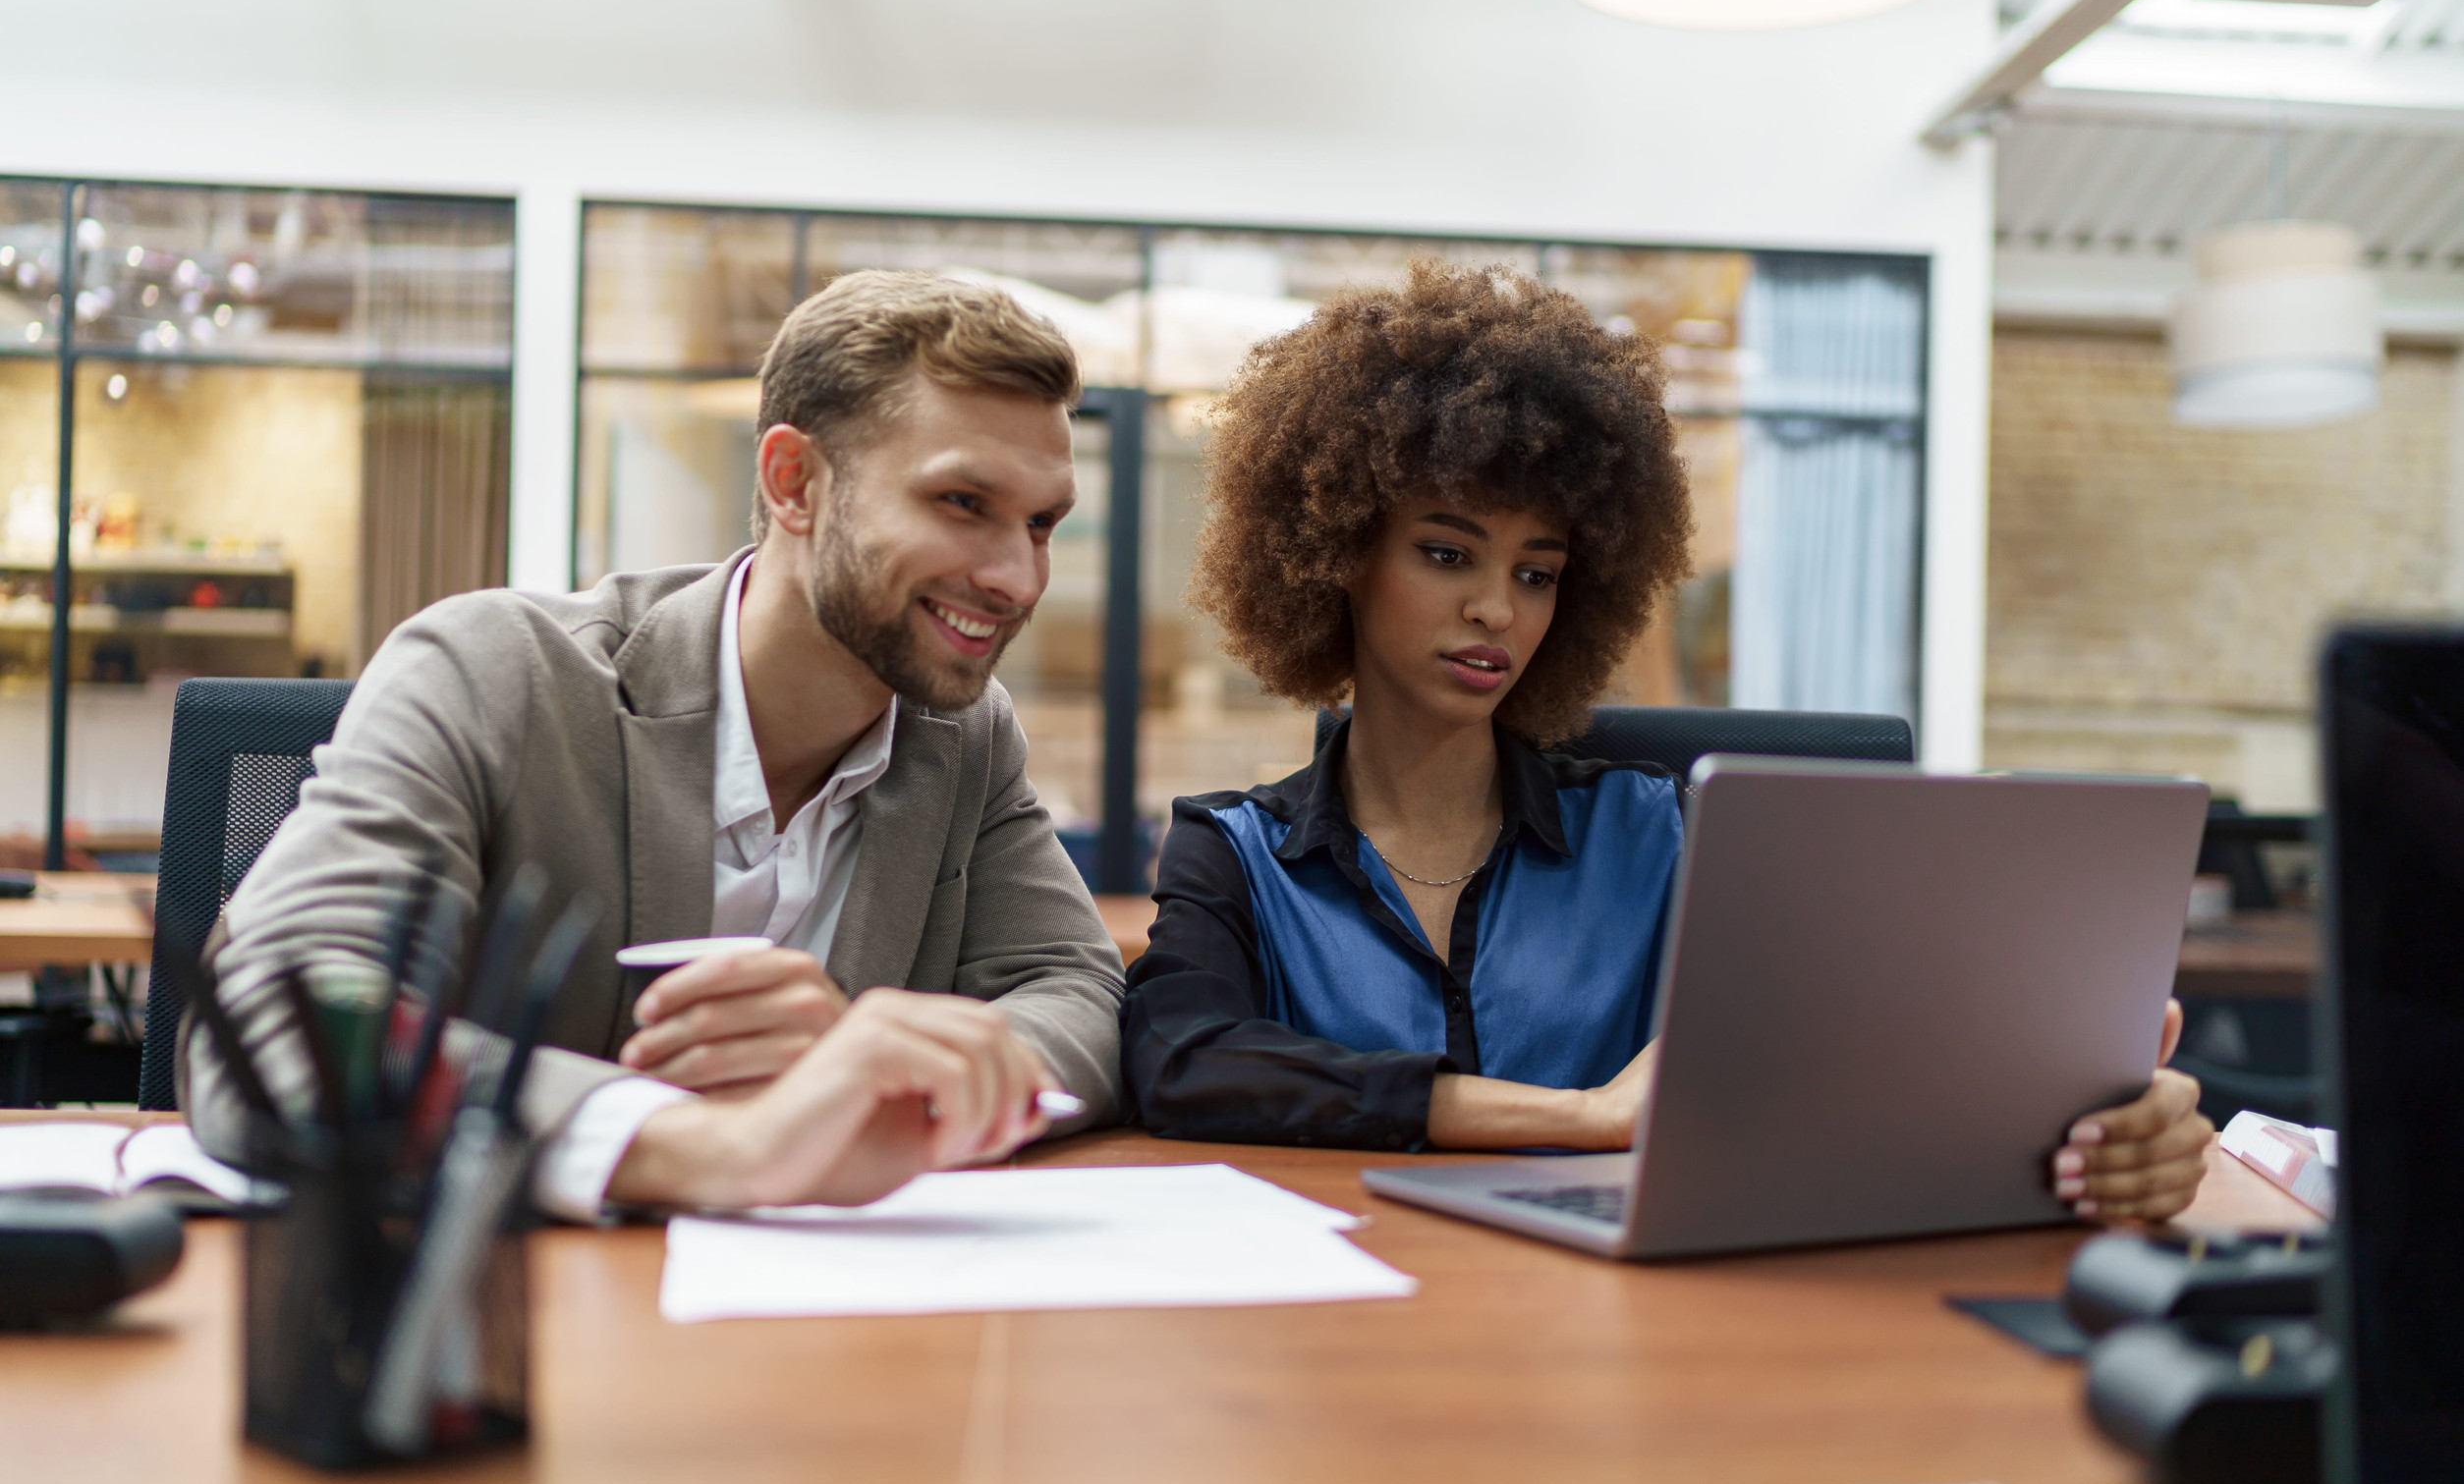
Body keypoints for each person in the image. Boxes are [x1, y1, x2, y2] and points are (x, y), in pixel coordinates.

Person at [1121, 261, 2213, 1223]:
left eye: (1537, 572)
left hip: (1636, 1332)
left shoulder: (1668, 832)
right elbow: (1181, 1059)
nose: (1499, 610)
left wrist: (2112, 1106)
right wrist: (1581, 1115)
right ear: (1336, 554)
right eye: (1449, 555)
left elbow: (1884, 1036)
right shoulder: (1236, 851)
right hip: (1347, 1342)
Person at [183, 270, 1124, 1217]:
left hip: (826, 1324)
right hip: (498, 1317)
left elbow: (1078, 993)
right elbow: (288, 1012)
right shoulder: (492, 672)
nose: (1016, 578)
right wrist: (706, 1147)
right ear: (794, 482)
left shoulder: (964, 734)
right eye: (963, 502)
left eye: (1041, 523)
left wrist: (898, 1080)